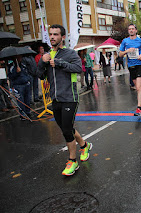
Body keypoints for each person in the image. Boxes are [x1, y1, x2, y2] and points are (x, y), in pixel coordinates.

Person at [37, 24, 92, 176]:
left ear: (62, 37)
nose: (53, 37)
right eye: (51, 34)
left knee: (67, 129)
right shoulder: (47, 55)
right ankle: (84, 145)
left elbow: (78, 68)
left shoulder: (69, 53)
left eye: (56, 34)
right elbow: (39, 75)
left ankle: (72, 161)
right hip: (55, 98)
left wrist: (60, 63)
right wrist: (42, 61)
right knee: (65, 128)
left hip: (70, 97)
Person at [119, 24, 141, 116]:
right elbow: (120, 54)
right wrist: (127, 51)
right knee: (138, 87)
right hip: (131, 66)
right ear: (128, 31)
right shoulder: (125, 41)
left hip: (140, 65)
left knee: (138, 87)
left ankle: (138, 109)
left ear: (136, 31)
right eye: (129, 29)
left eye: (133, 29)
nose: (131, 30)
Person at [7, 55, 31, 120]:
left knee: (27, 100)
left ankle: (28, 112)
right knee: (21, 101)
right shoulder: (11, 66)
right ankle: (22, 115)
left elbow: (27, 73)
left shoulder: (23, 64)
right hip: (18, 86)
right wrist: (17, 72)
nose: (20, 58)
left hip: (26, 84)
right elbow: (10, 77)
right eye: (18, 57)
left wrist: (28, 80)